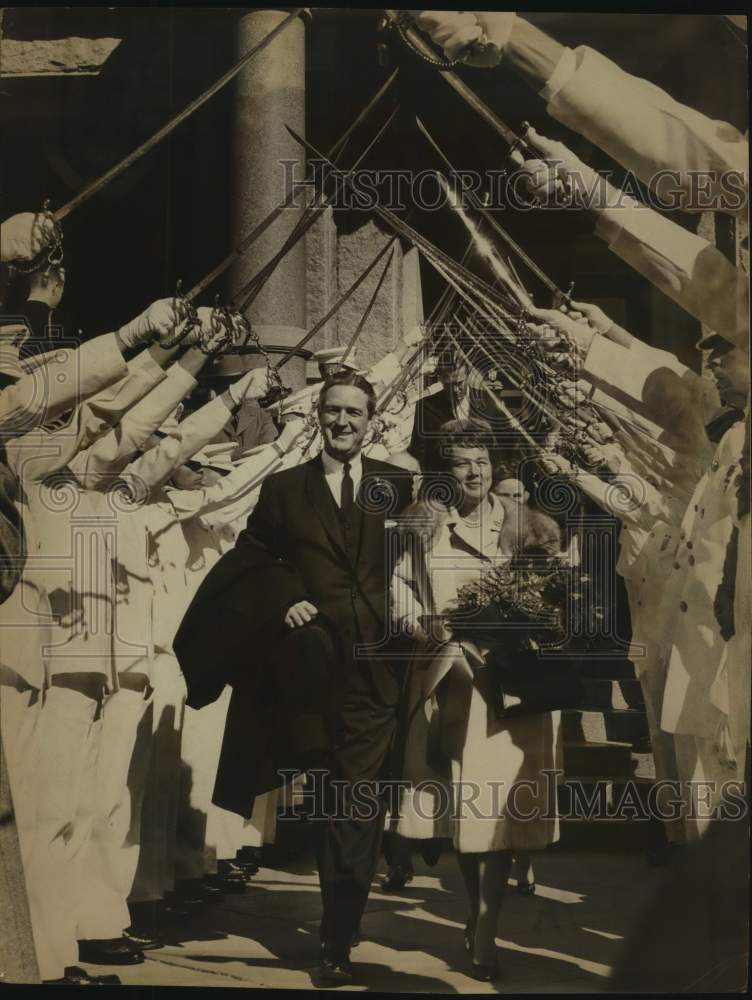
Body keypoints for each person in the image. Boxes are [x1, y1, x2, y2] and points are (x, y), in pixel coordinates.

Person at [174, 369, 413, 986]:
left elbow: (422, 560)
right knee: (332, 797)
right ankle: (341, 915)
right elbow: (254, 557)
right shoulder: (284, 489)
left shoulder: (398, 485)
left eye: (354, 412)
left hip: (379, 671)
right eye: (333, 410)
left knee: (356, 802)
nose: (342, 421)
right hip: (309, 671)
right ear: (319, 417)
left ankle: (336, 936)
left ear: (371, 420)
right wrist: (286, 596)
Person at [391, 420, 561, 981]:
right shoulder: (423, 526)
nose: (474, 472)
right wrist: (421, 624)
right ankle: (476, 912)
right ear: (445, 471)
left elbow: (552, 598)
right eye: (462, 462)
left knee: (501, 811)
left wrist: (533, 619)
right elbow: (399, 589)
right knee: (467, 812)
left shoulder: (530, 527)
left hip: (514, 686)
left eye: (482, 461)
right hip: (452, 680)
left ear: (496, 465)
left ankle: (486, 925)